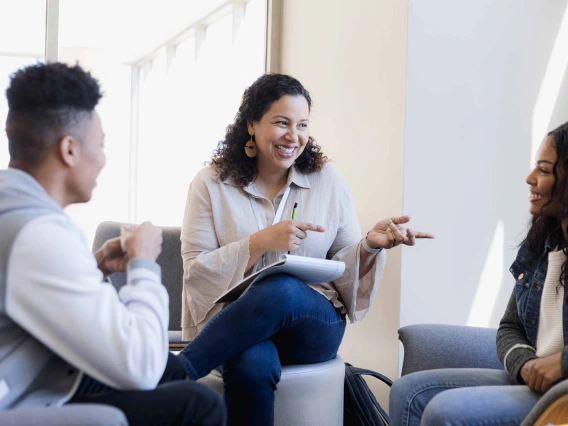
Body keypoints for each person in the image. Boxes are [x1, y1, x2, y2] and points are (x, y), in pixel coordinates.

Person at [177, 73, 434, 425]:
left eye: (301, 125)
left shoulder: (328, 181)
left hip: (312, 326)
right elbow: (195, 272)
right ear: (251, 124)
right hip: (233, 324)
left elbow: (344, 268)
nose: (293, 136)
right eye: (281, 123)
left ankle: (181, 370)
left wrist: (370, 247)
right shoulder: (210, 184)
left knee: (281, 287)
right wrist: (260, 242)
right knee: (251, 363)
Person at [0, 62, 225, 426]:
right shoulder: (40, 234)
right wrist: (144, 266)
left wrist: (97, 266)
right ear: (69, 150)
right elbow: (139, 366)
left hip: (20, 373)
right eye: (100, 145)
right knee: (198, 404)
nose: (103, 159)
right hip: (16, 398)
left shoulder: (13, 205)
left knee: (173, 367)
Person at [389, 120, 568, 426]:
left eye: (544, 170)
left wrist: (562, 364)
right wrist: (525, 365)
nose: (529, 178)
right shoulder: (544, 243)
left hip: (562, 394)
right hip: (535, 383)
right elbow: (510, 326)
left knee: (444, 411)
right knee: (407, 391)